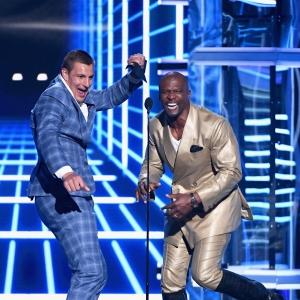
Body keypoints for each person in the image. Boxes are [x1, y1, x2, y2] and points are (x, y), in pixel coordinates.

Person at [135, 72, 285, 300]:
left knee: (204, 275)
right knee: (170, 282)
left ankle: (264, 296)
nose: (171, 97)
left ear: (188, 94)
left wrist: (195, 198)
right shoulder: (155, 125)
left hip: (215, 207)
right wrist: (146, 180)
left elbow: (232, 171)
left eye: (176, 91)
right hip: (180, 209)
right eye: (165, 92)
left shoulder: (214, 125)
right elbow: (153, 162)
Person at [28, 50, 146, 300]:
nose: (86, 83)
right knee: (91, 271)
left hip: (73, 193)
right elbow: (47, 136)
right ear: (65, 74)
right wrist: (66, 171)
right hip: (58, 192)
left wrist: (135, 75)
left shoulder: (79, 98)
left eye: (90, 77)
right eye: (80, 76)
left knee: (95, 271)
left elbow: (109, 96)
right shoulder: (55, 97)